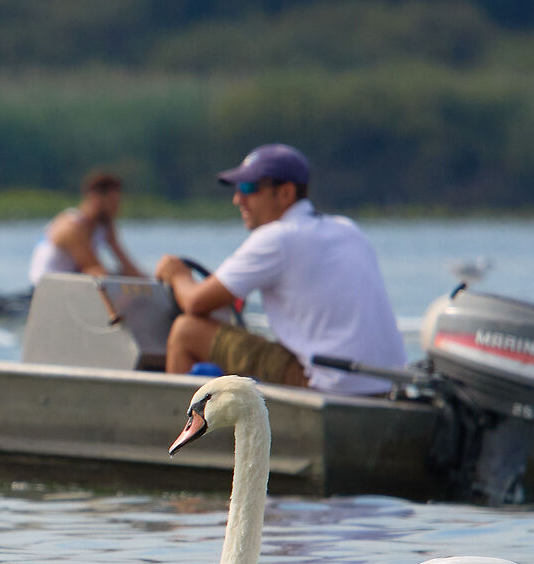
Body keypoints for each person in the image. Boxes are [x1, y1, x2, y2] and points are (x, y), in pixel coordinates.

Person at [151, 143, 406, 395]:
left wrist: (177, 274)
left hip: (330, 387)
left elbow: (195, 303)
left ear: (285, 193)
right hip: (389, 384)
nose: (237, 198)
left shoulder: (276, 238)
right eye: (238, 188)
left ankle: (179, 431)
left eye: (249, 188)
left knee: (187, 330)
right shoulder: (347, 229)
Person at [29, 168, 142, 288]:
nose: (117, 208)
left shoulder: (105, 226)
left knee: (121, 276)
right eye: (113, 202)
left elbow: (128, 266)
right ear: (95, 198)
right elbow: (96, 270)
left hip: (69, 289)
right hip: (42, 292)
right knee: (103, 275)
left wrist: (151, 282)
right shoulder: (72, 227)